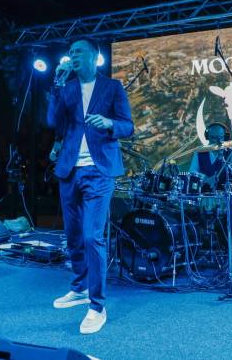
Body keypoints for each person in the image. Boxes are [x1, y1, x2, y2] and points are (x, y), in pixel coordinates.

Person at [46, 38, 134, 334]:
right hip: (70, 169)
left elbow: (128, 126)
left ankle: (97, 306)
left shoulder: (112, 87)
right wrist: (57, 85)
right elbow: (52, 121)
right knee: (73, 235)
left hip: (99, 170)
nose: (73, 56)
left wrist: (109, 123)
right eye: (70, 52)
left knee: (91, 236)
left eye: (79, 52)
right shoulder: (67, 87)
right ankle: (80, 287)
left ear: (95, 56)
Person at [189, 122, 232, 249]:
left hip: (226, 196)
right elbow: (192, 173)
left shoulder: (231, 152)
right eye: (213, 137)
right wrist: (205, 179)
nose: (217, 141)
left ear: (225, 137)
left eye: (220, 138)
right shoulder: (200, 152)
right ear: (207, 137)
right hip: (205, 196)